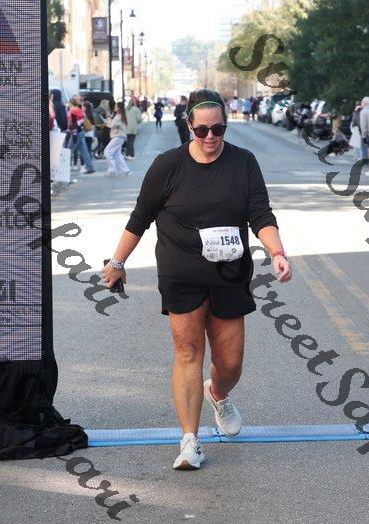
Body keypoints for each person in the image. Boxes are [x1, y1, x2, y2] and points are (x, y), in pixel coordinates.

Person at [101, 88, 291, 470]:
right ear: (188, 125)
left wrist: (277, 252)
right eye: (202, 130)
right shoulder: (167, 166)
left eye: (218, 129)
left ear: (225, 127)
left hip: (230, 273)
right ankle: (190, 440)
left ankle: (218, 393)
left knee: (230, 363)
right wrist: (117, 261)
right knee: (187, 352)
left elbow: (260, 213)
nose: (210, 137)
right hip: (181, 270)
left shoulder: (243, 162)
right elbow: (140, 217)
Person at [67, 95, 95, 174]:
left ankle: (63, 169)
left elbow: (73, 124)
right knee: (84, 151)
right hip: (81, 131)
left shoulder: (72, 111)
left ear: (70, 103)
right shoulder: (79, 110)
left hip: (76, 132)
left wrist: (72, 132)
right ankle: (90, 167)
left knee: (68, 150)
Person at [104, 101, 130, 176]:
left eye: (116, 106)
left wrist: (108, 118)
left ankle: (112, 169)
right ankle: (126, 170)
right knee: (117, 154)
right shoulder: (119, 115)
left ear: (119, 108)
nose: (115, 107)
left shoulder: (119, 116)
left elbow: (111, 125)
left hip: (118, 136)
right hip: (119, 136)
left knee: (107, 152)